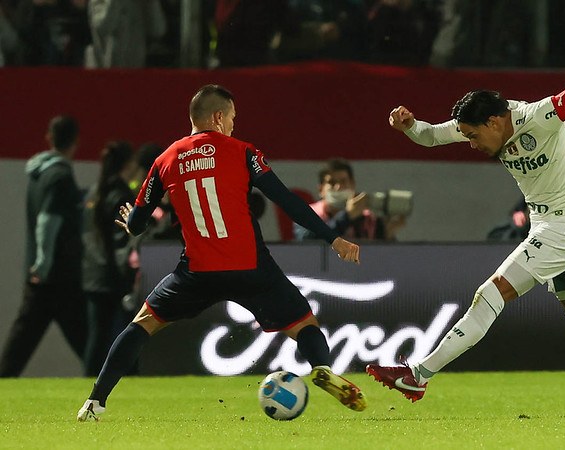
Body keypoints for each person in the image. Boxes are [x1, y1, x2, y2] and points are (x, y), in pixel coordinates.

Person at [366, 42, 565, 417]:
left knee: (489, 295)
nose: (472, 144)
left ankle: (419, 375)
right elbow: (431, 136)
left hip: (564, 227)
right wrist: (410, 126)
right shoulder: (484, 125)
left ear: (494, 122)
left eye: (473, 136)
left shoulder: (542, 115)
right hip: (548, 225)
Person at [77, 84, 366, 421]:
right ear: (217, 117)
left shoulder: (164, 160)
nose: (232, 124)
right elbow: (286, 200)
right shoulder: (243, 152)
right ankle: (321, 367)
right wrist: (333, 239)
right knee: (303, 324)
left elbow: (139, 222)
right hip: (251, 266)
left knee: (142, 325)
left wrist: (131, 223)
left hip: (197, 270)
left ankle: (94, 402)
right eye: (231, 118)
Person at [0, 115, 87, 377]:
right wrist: (44, 263)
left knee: (21, 341)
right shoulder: (60, 176)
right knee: (86, 339)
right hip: (58, 275)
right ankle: (114, 378)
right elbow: (47, 222)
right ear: (76, 141)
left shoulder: (39, 175)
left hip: (42, 279)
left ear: (49, 137)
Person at [81, 141, 139, 376]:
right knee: (129, 332)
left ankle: (89, 380)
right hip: (112, 276)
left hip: (92, 272)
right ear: (127, 164)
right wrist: (128, 272)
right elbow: (120, 240)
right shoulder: (120, 194)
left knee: (98, 335)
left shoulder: (95, 191)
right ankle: (128, 376)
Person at [294, 158, 406, 241]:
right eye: (332, 183)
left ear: (353, 185)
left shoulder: (369, 219)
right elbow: (306, 244)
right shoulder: (306, 213)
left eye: (343, 181)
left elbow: (382, 257)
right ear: (321, 189)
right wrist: (347, 216)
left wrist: (387, 236)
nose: (338, 187)